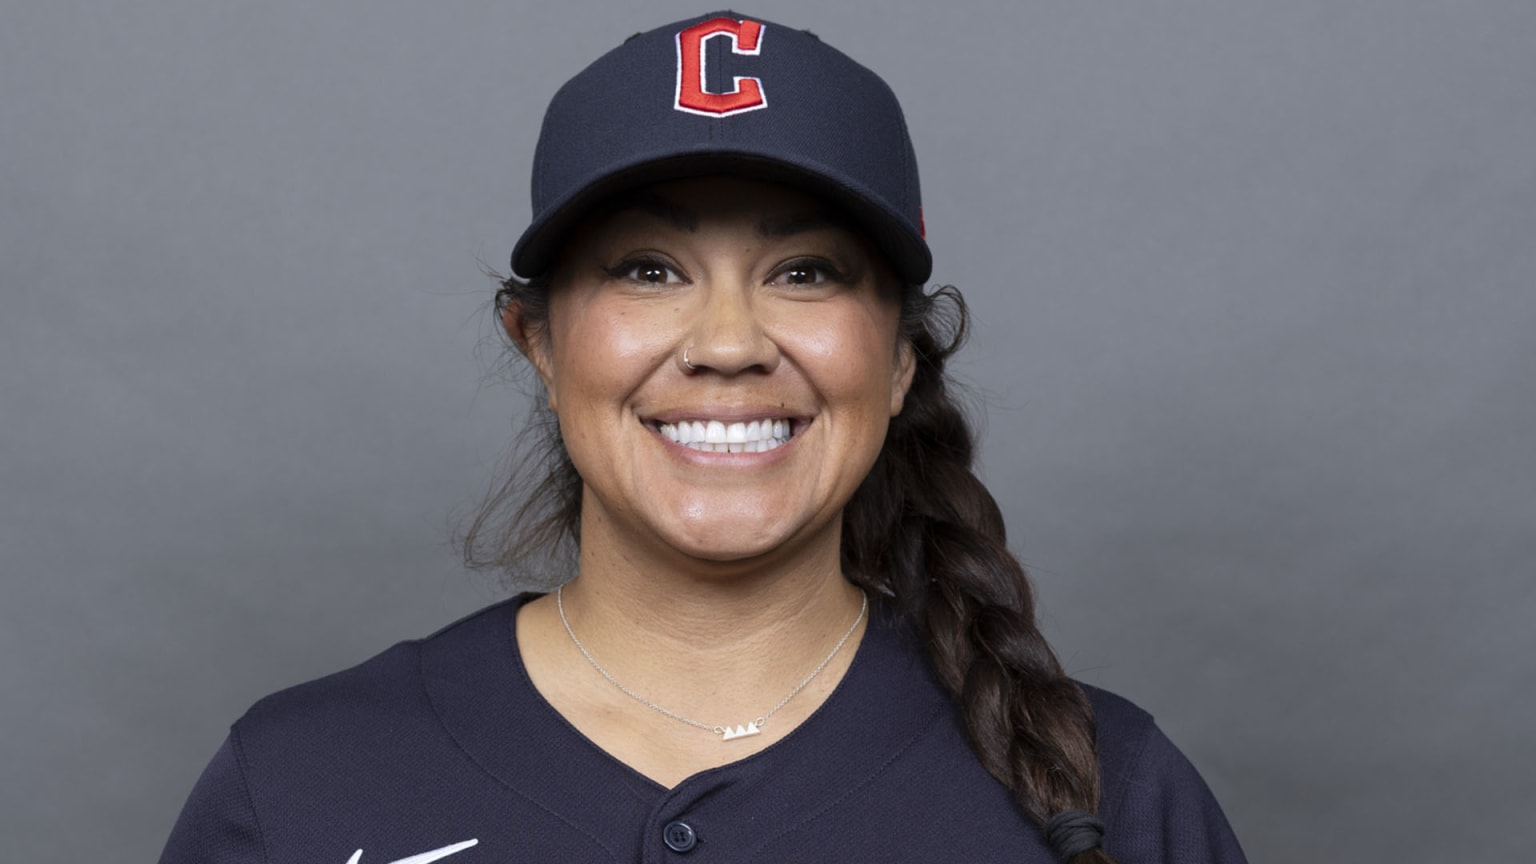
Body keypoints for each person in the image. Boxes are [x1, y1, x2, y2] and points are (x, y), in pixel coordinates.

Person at [160, 12, 1247, 864]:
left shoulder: (1112, 797)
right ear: (537, 339)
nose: (728, 342)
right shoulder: (300, 783)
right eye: (649, 269)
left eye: (805, 273)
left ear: (902, 357)